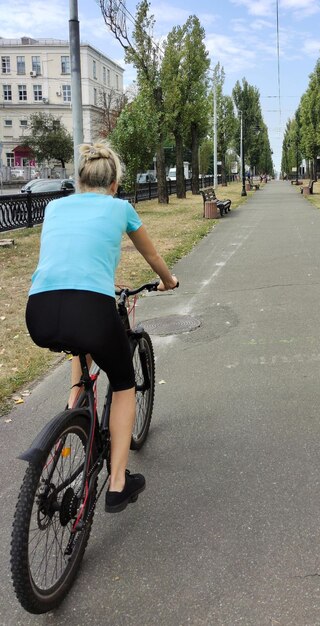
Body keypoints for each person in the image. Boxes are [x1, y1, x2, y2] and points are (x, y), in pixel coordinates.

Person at [25, 142, 178, 513]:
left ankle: (72, 415)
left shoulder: (54, 206)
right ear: (114, 185)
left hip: (40, 309)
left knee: (80, 352)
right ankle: (118, 483)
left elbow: (71, 256)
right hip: (90, 310)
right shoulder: (120, 208)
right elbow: (152, 256)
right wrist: (168, 281)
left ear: (78, 181)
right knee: (125, 384)